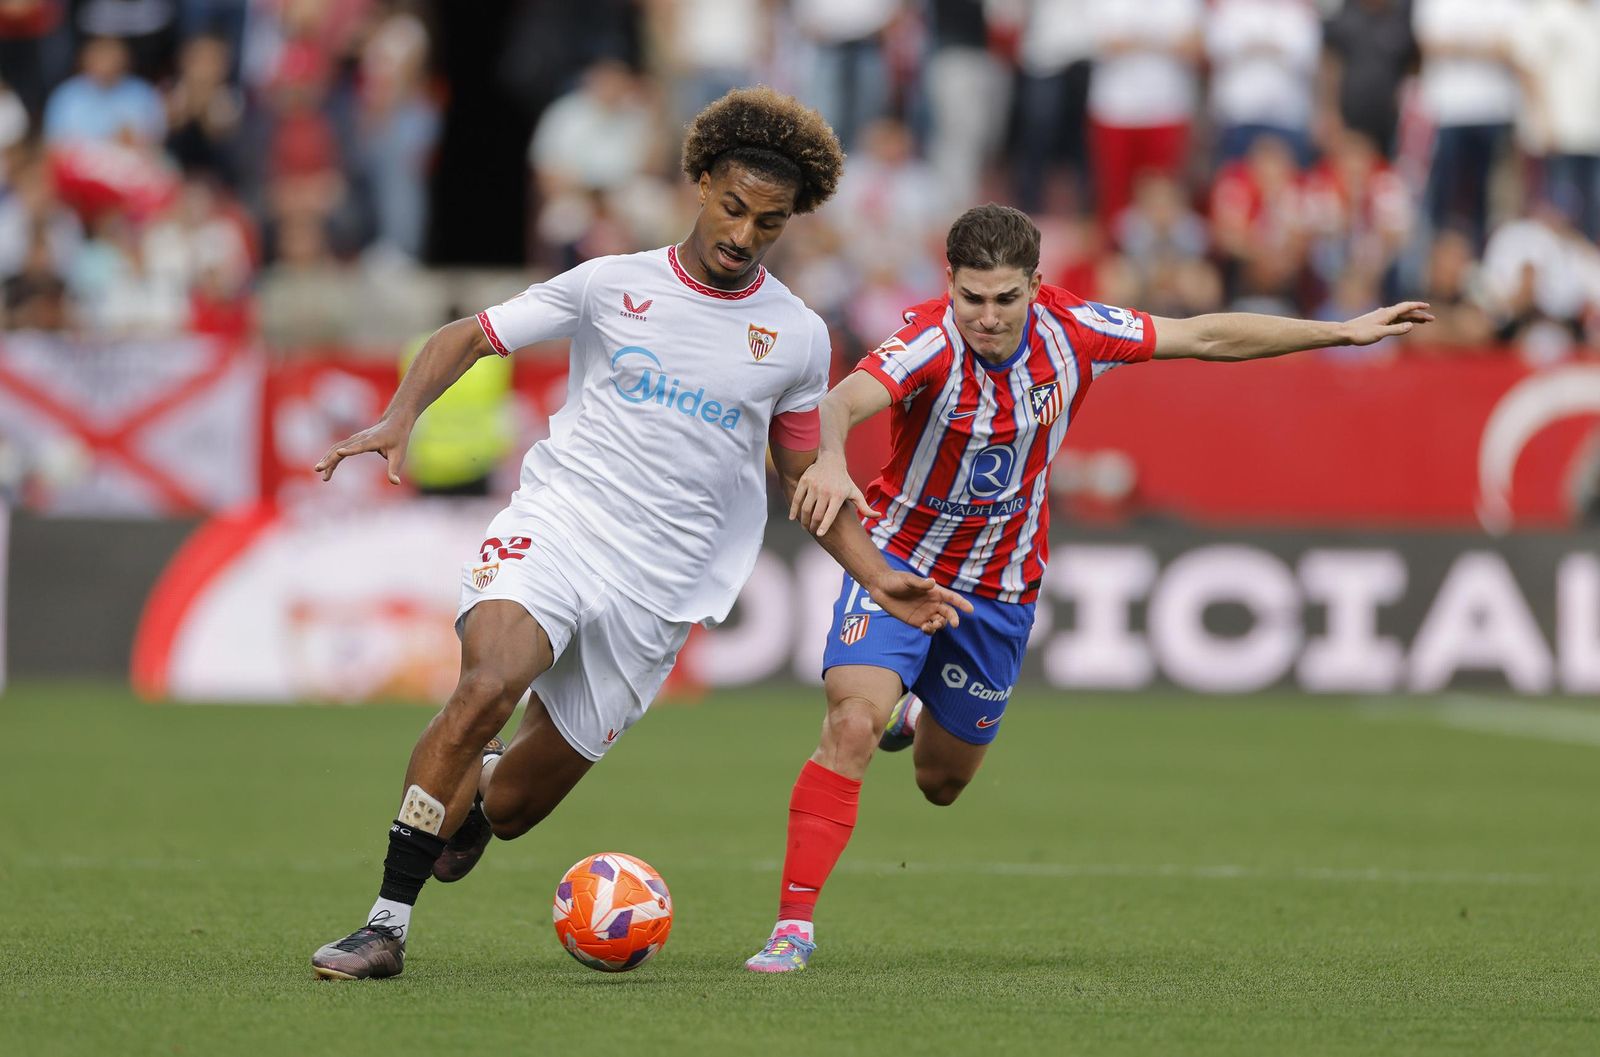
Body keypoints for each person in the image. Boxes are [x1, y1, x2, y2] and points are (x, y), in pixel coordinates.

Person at [307, 87, 971, 981]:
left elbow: (803, 474)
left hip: (661, 588)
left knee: (508, 810)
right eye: (732, 208)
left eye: (767, 224)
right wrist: (401, 416)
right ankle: (385, 922)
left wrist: (882, 574)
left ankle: (467, 801)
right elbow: (471, 335)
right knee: (489, 682)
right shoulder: (613, 283)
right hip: (562, 524)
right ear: (700, 184)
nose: (742, 235)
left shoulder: (798, 338)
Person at [743, 203, 1431, 972]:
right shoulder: (927, 342)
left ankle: (913, 709)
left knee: (940, 783)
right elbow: (839, 402)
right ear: (950, 285)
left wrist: (1341, 331)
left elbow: (1203, 335)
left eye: (1007, 298)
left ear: (1037, 285)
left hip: (1001, 590)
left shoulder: (1077, 331)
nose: (989, 317)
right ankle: (792, 928)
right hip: (898, 568)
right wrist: (830, 458)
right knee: (850, 726)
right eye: (973, 298)